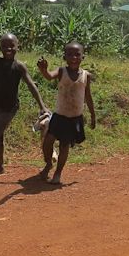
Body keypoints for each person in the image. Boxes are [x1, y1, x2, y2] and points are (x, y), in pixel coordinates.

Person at [0, 33, 48, 179]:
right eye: (4, 45)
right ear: (0, 47)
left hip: (9, 108)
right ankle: (0, 167)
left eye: (12, 45)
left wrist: (42, 106)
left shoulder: (19, 66)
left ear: (18, 47)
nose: (8, 48)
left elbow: (31, 85)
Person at [36, 42, 96, 185]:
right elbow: (50, 76)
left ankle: (57, 174)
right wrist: (44, 70)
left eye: (77, 54)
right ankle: (49, 163)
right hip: (59, 116)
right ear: (64, 56)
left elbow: (88, 96)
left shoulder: (86, 76)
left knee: (64, 146)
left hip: (74, 118)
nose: (73, 57)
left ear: (83, 57)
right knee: (47, 142)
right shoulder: (62, 71)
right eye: (69, 54)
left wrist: (93, 115)